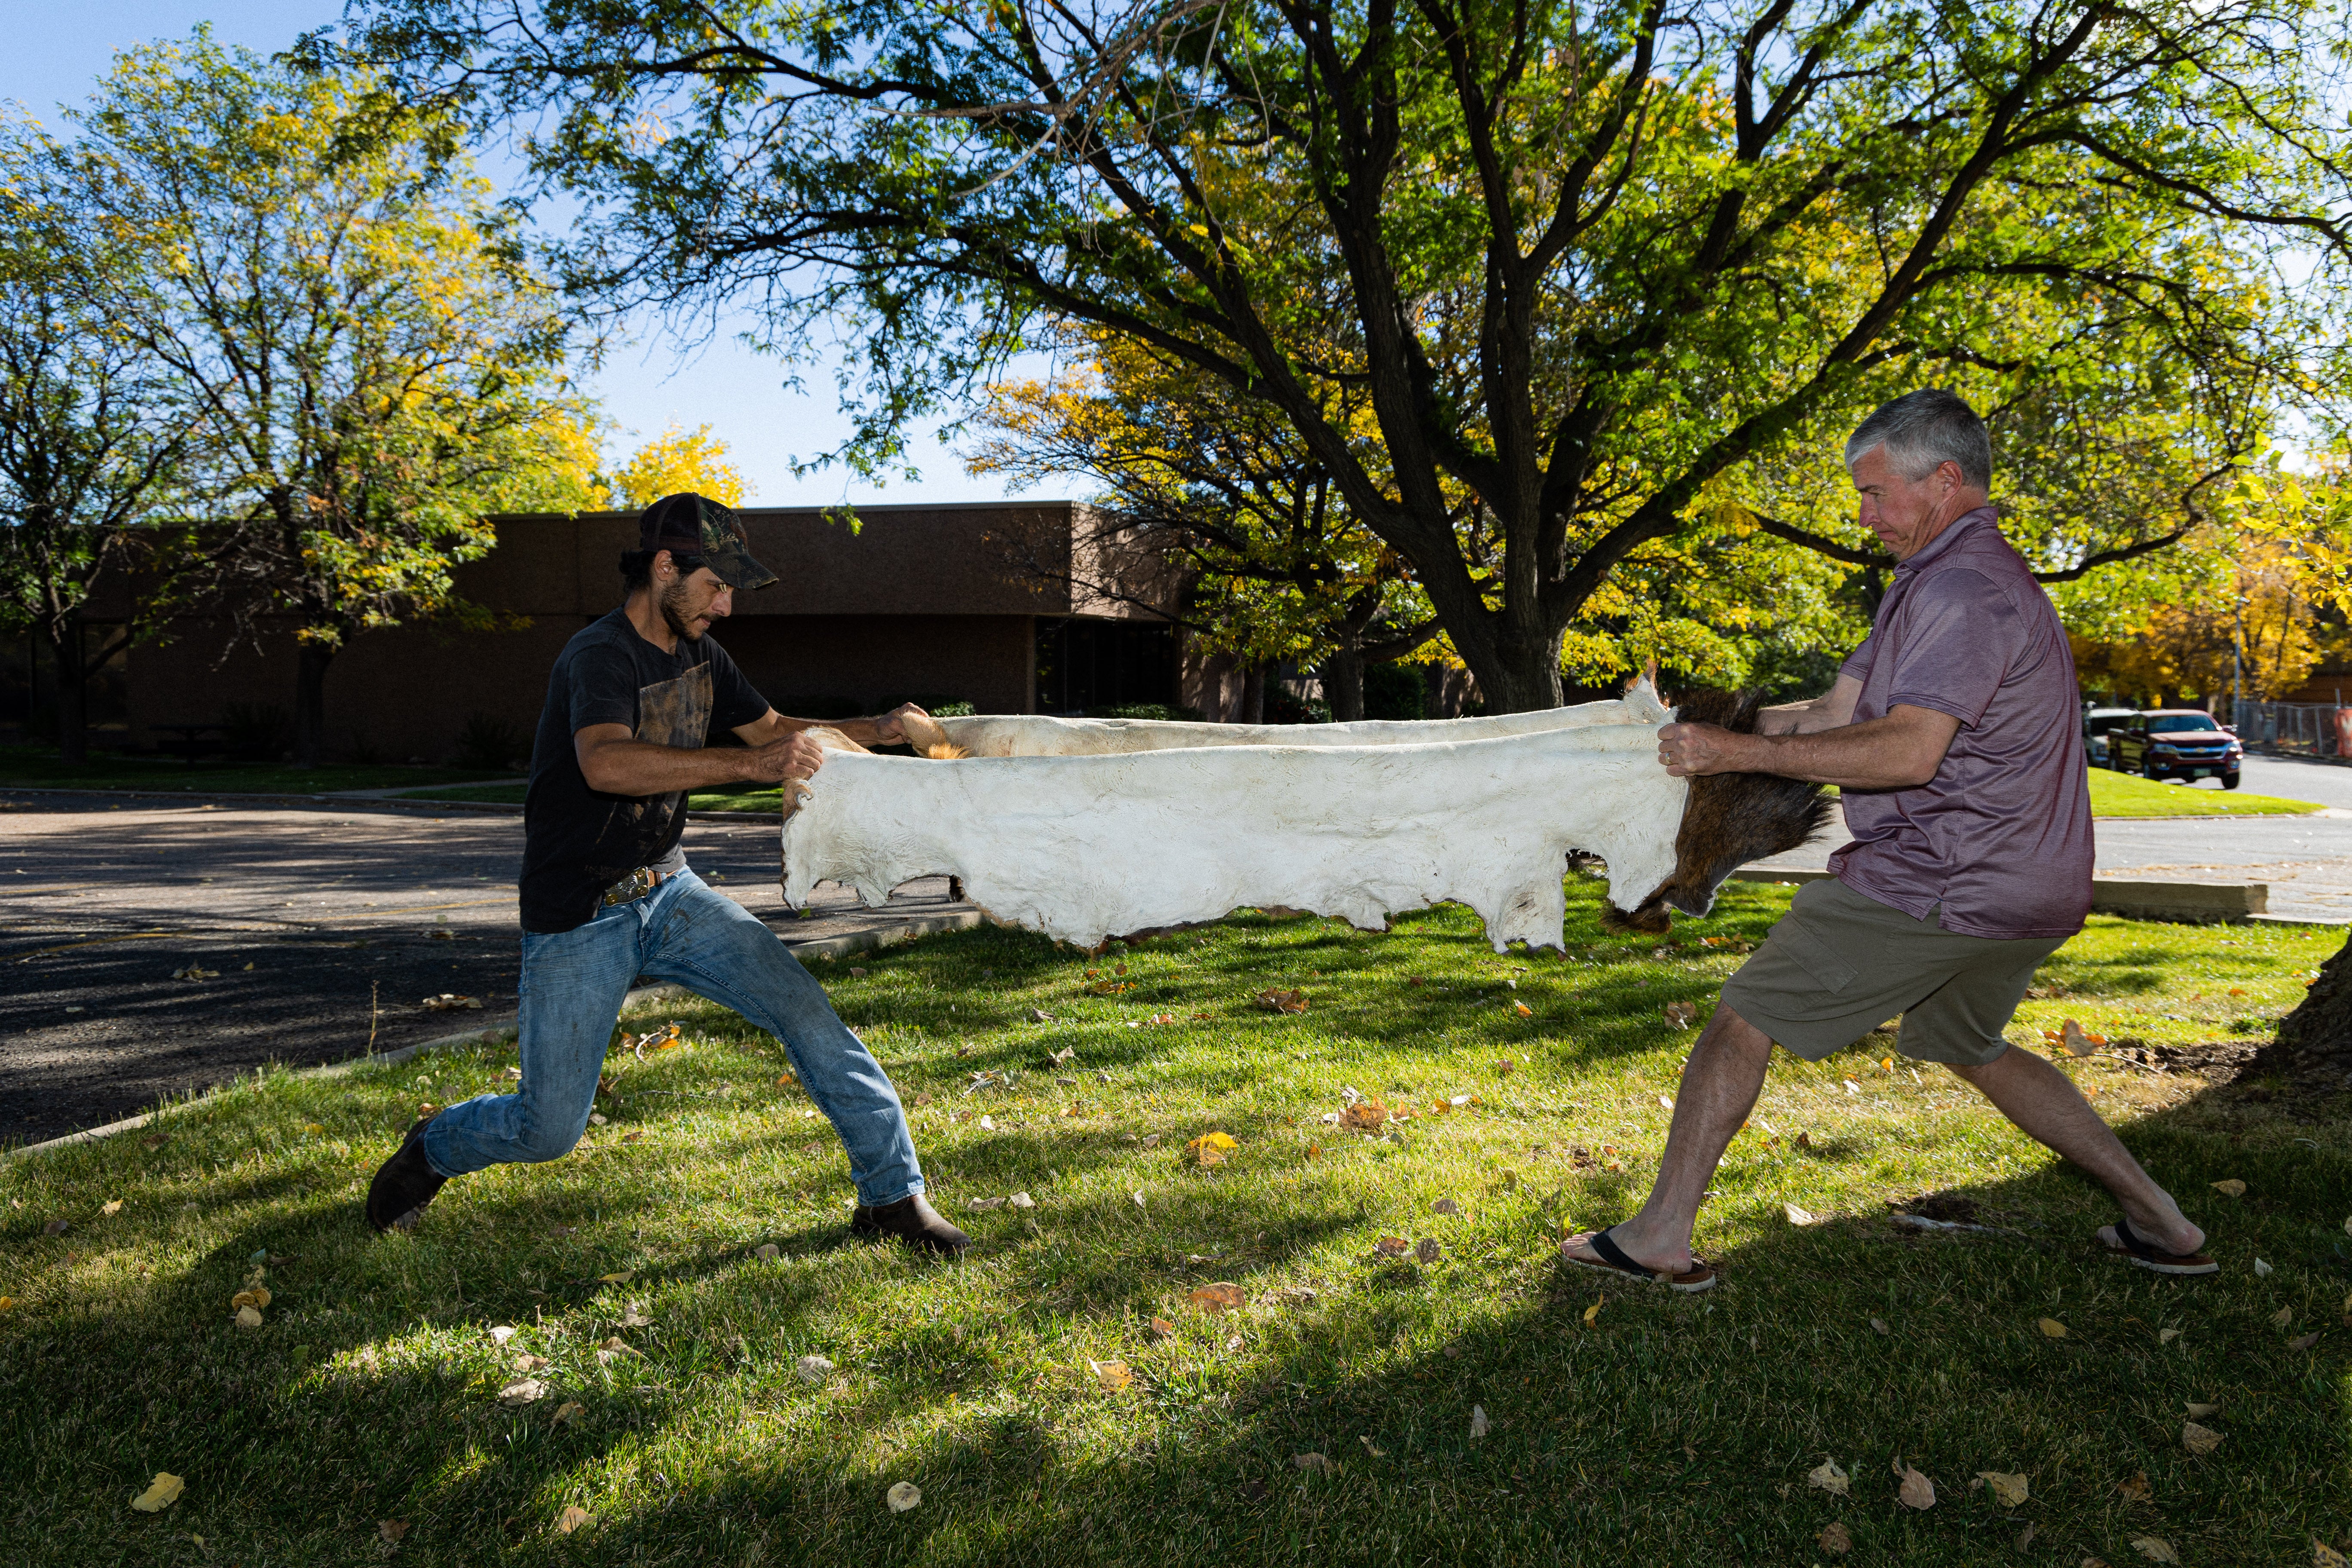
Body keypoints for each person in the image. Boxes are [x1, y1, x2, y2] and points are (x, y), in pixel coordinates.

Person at [1560, 389, 2214, 1291]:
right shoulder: (1936, 580)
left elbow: (1909, 753)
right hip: (2028, 884)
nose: (1862, 516)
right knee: (1970, 1045)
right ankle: (2163, 1222)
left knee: (1742, 1020)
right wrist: (1689, 736)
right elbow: (1836, 714)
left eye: (1875, 494)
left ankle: (1660, 1234)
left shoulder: (1963, 590)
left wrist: (1732, 752)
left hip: (1946, 877)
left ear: (1945, 480)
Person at [364, 492, 969, 1254]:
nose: (725, 606)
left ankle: (892, 1200)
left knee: (807, 1013)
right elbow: (605, 761)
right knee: (547, 1127)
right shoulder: (600, 655)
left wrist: (877, 729)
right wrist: (756, 766)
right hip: (581, 909)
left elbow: (778, 730)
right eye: (717, 586)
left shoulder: (702, 654)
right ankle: (434, 1147)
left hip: (672, 890)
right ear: (665, 568)